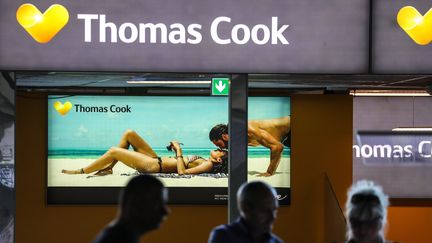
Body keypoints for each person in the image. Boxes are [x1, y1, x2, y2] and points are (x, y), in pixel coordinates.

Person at [62, 129, 228, 176]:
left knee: (114, 151)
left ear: (219, 161)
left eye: (222, 152)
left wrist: (178, 151)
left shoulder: (207, 165)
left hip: (152, 166)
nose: (220, 149)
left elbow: (182, 173)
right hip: (156, 159)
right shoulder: (207, 160)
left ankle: (83, 170)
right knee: (129, 134)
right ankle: (109, 168)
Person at [93, 174, 169, 243]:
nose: (165, 211)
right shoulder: (120, 240)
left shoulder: (115, 236)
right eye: (157, 203)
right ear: (135, 204)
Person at [209, 116, 290, 176]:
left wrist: (269, 172)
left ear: (224, 137)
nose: (221, 148)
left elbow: (277, 147)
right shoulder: (238, 139)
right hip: (286, 137)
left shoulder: (246, 129)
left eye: (220, 144)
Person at [208, 181, 283, 243]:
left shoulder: (276, 242)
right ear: (246, 209)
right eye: (265, 210)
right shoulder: (224, 237)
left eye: (274, 210)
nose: (273, 217)